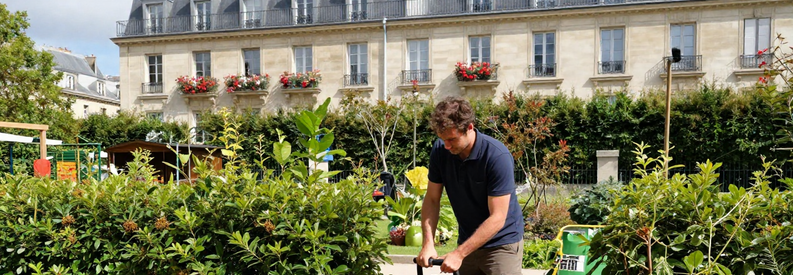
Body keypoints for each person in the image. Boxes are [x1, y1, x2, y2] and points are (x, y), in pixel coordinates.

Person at [416, 96, 524, 274]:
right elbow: (432, 199)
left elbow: (498, 217)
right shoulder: (440, 150)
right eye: (443, 139)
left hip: (501, 245)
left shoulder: (496, 156)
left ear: (470, 128)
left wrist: (459, 254)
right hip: (467, 242)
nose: (447, 146)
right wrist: (428, 243)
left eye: (452, 139)